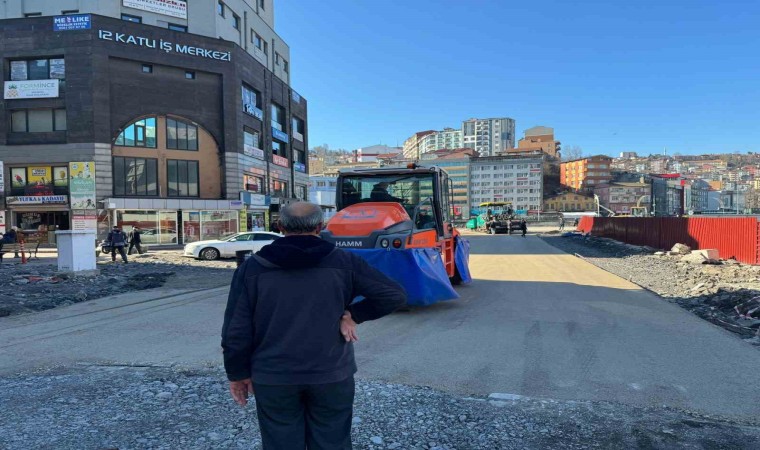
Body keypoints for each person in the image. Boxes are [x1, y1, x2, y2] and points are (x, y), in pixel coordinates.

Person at [222, 202, 406, 450]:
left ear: (279, 226)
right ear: (321, 227)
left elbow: (236, 329)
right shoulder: (344, 261)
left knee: (281, 442)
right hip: (331, 374)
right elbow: (393, 295)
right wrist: (353, 314)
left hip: (274, 377)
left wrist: (237, 374)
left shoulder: (252, 268)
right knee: (332, 441)